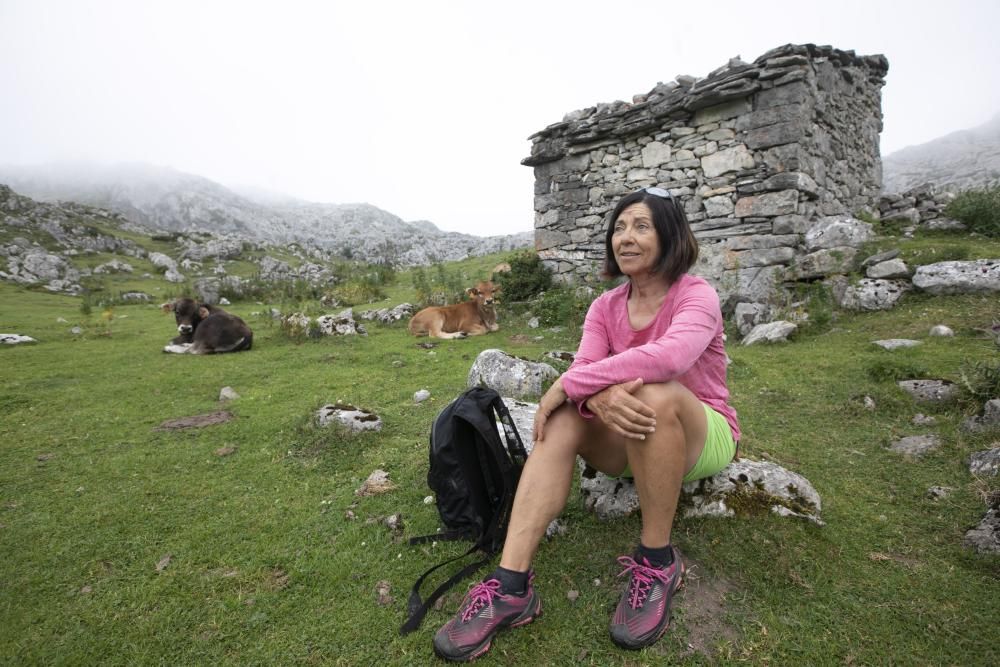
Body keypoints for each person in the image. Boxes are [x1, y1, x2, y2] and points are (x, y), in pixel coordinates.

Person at [432, 187, 740, 661]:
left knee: (654, 395)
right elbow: (586, 370)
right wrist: (583, 391)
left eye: (641, 226)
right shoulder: (605, 307)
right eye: (619, 227)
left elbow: (671, 356)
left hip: (702, 433)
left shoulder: (696, 295)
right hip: (629, 435)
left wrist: (574, 384)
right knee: (561, 417)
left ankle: (657, 562)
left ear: (670, 235)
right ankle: (511, 584)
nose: (626, 238)